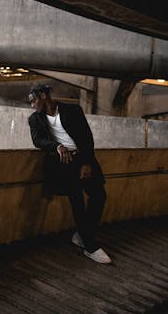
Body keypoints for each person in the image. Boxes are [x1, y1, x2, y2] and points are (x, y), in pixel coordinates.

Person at [27, 83, 111, 264]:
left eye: (33, 101)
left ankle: (82, 234)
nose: (32, 105)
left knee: (99, 196)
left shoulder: (72, 110)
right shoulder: (35, 119)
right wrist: (56, 146)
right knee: (77, 202)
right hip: (63, 164)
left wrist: (87, 162)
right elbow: (37, 140)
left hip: (83, 159)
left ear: (42, 95)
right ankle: (90, 246)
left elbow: (87, 137)